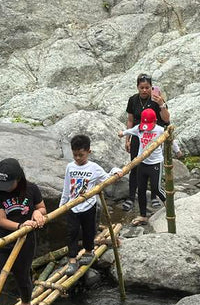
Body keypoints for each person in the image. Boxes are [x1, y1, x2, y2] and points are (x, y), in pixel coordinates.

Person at [0, 157, 47, 305]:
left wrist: (37, 214)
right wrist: (21, 225)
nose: (4, 188)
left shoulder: (32, 189)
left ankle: (26, 303)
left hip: (26, 241)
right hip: (2, 241)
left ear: (18, 179)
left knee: (22, 275)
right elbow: (1, 220)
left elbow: (42, 207)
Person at [62, 134, 120, 272]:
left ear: (89, 152)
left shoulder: (94, 168)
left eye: (80, 155)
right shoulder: (70, 167)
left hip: (88, 206)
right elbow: (66, 187)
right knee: (72, 232)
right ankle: (72, 258)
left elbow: (107, 178)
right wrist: (62, 204)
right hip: (73, 206)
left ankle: (88, 251)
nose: (77, 158)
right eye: (75, 155)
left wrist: (116, 171)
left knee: (89, 230)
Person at [123, 74, 169, 210]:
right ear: (137, 87)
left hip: (154, 138)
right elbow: (130, 120)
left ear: (151, 87)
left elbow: (166, 120)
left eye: (147, 87)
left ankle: (154, 196)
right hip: (138, 136)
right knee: (135, 166)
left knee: (153, 165)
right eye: (141, 87)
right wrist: (128, 139)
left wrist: (161, 104)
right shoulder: (133, 100)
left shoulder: (156, 100)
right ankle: (132, 197)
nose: (144, 90)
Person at [117, 108, 166, 224]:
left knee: (156, 187)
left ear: (155, 121)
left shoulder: (160, 130)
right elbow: (128, 131)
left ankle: (169, 204)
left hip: (155, 163)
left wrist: (177, 151)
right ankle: (143, 215)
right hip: (142, 162)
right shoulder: (139, 128)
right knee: (141, 189)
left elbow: (170, 140)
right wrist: (122, 134)